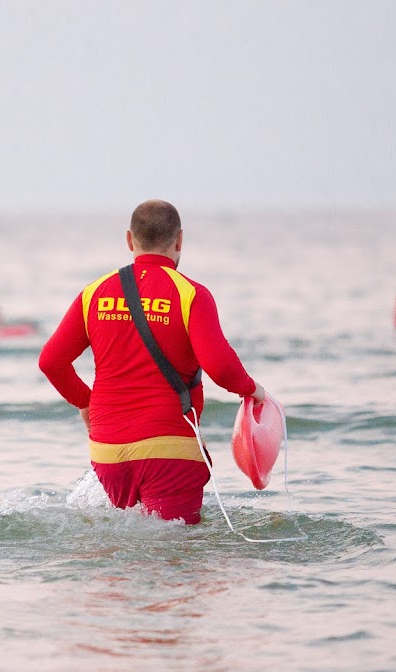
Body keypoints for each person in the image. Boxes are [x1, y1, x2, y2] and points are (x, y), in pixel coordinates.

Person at [38, 199, 266, 525]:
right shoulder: (191, 294)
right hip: (169, 451)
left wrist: (86, 402)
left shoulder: (94, 293)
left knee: (126, 547)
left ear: (129, 240)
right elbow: (219, 366)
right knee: (175, 549)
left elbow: (51, 362)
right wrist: (252, 389)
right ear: (180, 240)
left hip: (108, 452)